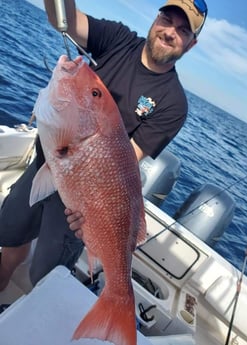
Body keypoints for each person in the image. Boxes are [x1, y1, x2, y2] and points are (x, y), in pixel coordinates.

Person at [0, 0, 207, 291]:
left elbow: (125, 162)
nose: (170, 32)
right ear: (156, 18)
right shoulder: (118, 39)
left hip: (80, 199)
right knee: (9, 239)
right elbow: (66, 20)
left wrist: (87, 205)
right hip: (43, 165)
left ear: (191, 44)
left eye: (183, 30)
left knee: (45, 280)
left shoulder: (174, 103)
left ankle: (109, 297)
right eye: (167, 19)